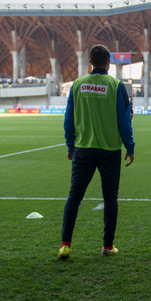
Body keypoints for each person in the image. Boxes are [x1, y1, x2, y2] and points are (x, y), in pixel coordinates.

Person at [59, 44, 135, 259]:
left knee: (74, 197)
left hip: (83, 149)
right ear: (109, 63)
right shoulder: (116, 85)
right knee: (110, 198)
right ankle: (107, 247)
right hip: (110, 150)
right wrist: (130, 147)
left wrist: (70, 145)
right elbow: (124, 121)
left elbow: (69, 118)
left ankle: (65, 245)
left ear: (90, 62)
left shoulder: (77, 84)